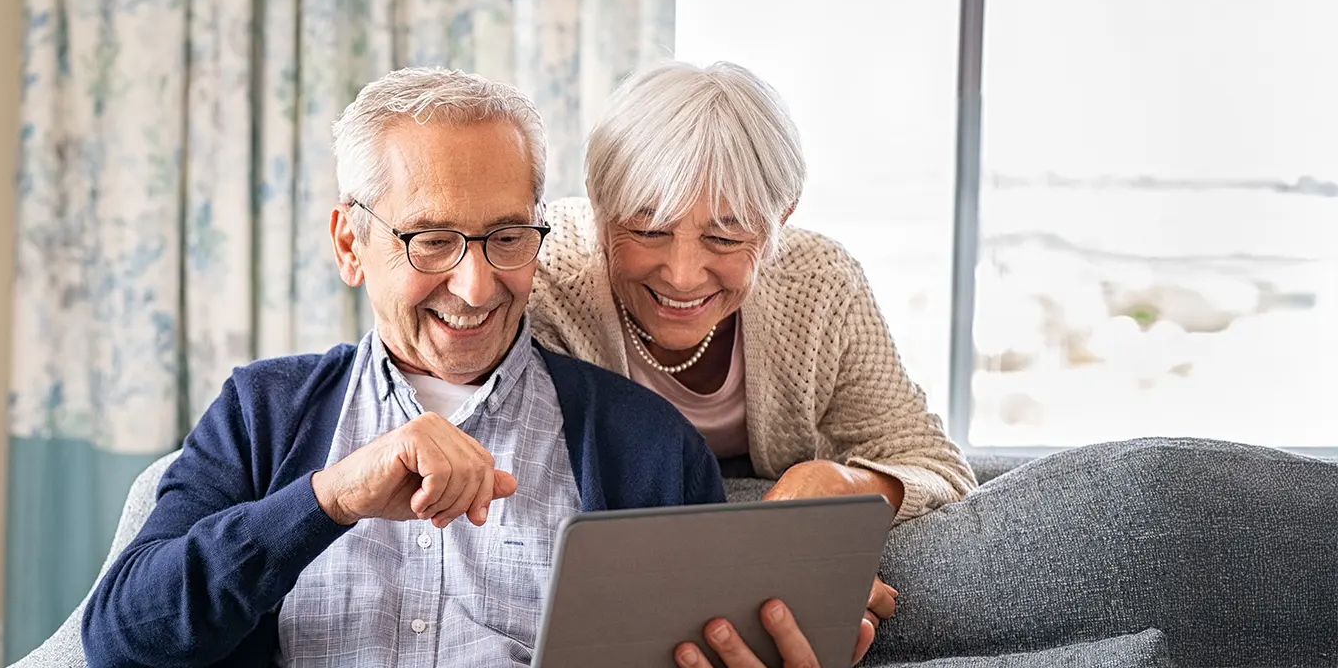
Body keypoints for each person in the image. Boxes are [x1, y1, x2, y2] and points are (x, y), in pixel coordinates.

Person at [80, 68, 868, 668]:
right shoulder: (264, 411)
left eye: (507, 238)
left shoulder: (645, 444)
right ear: (351, 244)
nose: (476, 286)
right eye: (431, 241)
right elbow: (122, 634)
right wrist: (332, 498)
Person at [527, 61, 980, 640]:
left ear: (778, 221)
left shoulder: (819, 283)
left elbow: (938, 467)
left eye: (724, 237)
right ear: (599, 206)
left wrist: (834, 487)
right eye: (648, 230)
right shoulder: (547, 275)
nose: (683, 275)